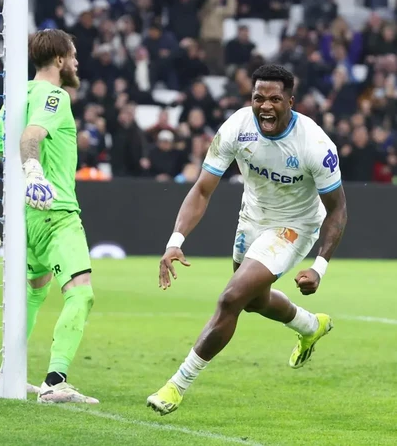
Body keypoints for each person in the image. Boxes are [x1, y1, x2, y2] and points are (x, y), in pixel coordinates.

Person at [147, 64, 347, 416]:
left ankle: (177, 385)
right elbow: (202, 189)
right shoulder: (237, 127)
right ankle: (310, 325)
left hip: (294, 226)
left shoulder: (315, 145)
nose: (265, 106)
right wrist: (175, 241)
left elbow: (338, 209)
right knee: (254, 301)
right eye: (258, 98)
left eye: (274, 99)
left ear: (290, 102)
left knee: (231, 298)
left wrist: (319, 267)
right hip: (252, 218)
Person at [0, 29, 98, 404]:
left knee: (35, 292)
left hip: (26, 220)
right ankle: (56, 381)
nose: (77, 63)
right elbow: (31, 137)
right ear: (59, 59)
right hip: (55, 211)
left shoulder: (16, 97)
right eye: (73, 56)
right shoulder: (55, 95)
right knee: (81, 293)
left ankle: (8, 375)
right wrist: (35, 174)